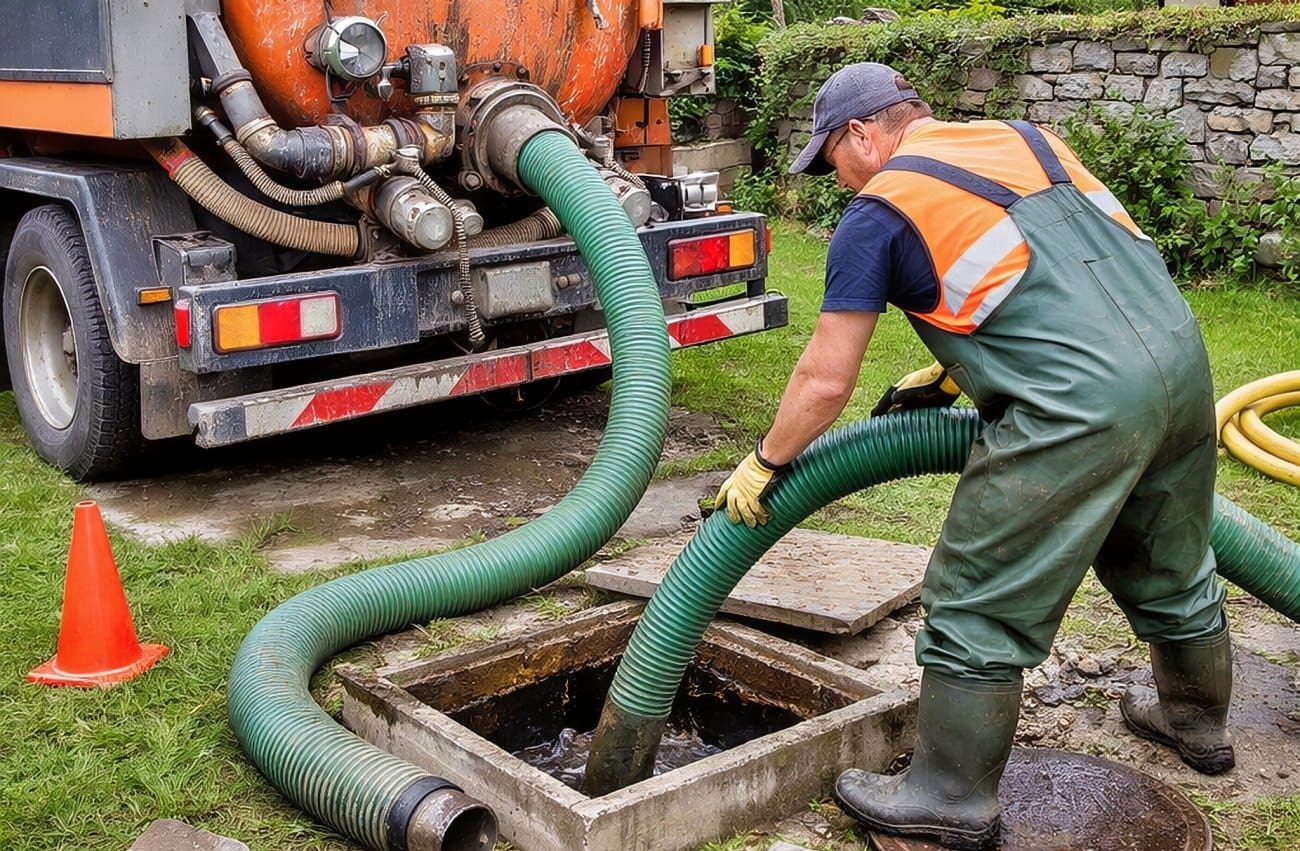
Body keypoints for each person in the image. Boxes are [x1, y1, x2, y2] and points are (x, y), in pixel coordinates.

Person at [713, 62, 1233, 850]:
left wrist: (767, 459)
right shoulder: (1027, 140)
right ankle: (1196, 720)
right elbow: (1059, 271)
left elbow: (823, 380)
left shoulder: (878, 210)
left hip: (1074, 408)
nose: (834, 178)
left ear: (864, 133)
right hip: (1180, 369)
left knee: (976, 600)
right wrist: (958, 367)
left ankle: (948, 795)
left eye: (832, 158)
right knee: (1169, 555)